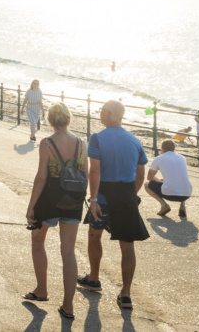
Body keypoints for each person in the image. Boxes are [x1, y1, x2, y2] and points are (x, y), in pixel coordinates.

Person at [78, 100, 150, 309]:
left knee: (94, 235)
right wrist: (130, 195)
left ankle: (93, 278)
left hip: (102, 198)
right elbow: (140, 175)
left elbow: (95, 171)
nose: (100, 114)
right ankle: (126, 294)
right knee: (127, 246)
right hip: (126, 197)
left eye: (102, 111)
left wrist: (93, 199)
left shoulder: (98, 138)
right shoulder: (134, 140)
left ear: (111, 114)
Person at [25, 103, 87, 320]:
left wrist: (31, 205)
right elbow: (84, 173)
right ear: (69, 120)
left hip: (50, 197)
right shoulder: (81, 144)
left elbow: (41, 176)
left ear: (50, 121)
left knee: (38, 239)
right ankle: (68, 306)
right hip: (74, 199)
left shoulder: (47, 143)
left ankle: (42, 290)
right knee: (68, 251)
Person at [145, 140, 192, 217]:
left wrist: (159, 180)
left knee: (147, 185)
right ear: (174, 149)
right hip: (186, 194)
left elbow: (149, 177)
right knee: (182, 181)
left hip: (169, 194)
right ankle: (182, 205)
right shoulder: (182, 158)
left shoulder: (158, 159)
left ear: (162, 149)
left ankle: (164, 205)